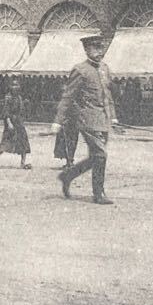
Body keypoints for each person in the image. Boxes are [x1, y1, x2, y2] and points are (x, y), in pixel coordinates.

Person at [53, 33, 118, 205]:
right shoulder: (80, 70)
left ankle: (67, 176)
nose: (99, 52)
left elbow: (108, 95)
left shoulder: (104, 68)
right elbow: (68, 96)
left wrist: (113, 117)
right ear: (86, 49)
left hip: (103, 119)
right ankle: (99, 193)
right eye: (95, 48)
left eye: (101, 47)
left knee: (96, 157)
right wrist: (58, 121)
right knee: (101, 154)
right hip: (87, 119)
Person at [0, 78, 32, 170]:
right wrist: (9, 123)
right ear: (10, 87)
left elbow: (21, 111)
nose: (15, 87)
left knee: (23, 142)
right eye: (13, 85)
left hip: (19, 122)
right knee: (6, 141)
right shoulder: (8, 98)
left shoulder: (19, 98)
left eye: (17, 85)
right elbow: (6, 112)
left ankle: (22, 162)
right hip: (11, 122)